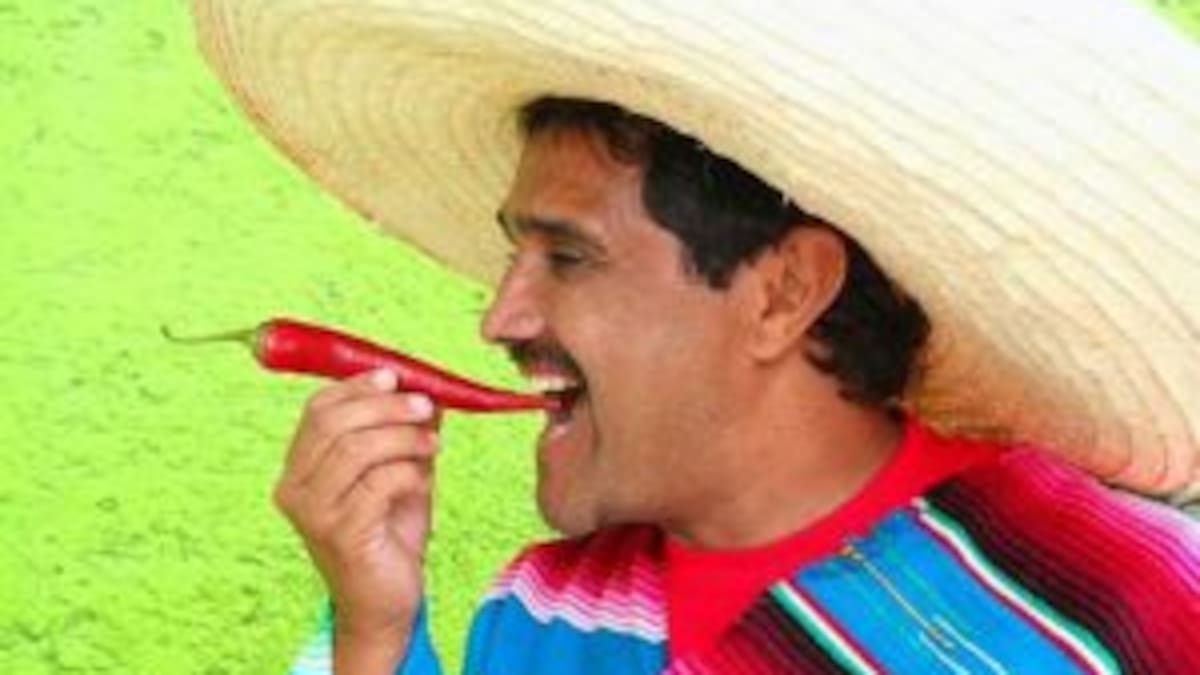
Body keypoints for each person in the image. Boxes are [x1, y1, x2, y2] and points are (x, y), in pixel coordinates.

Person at [191, 2, 1200, 673]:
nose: (500, 317)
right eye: (512, 256)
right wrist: (374, 629)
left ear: (783, 293)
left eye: (568, 256)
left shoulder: (1117, 599)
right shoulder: (545, 621)